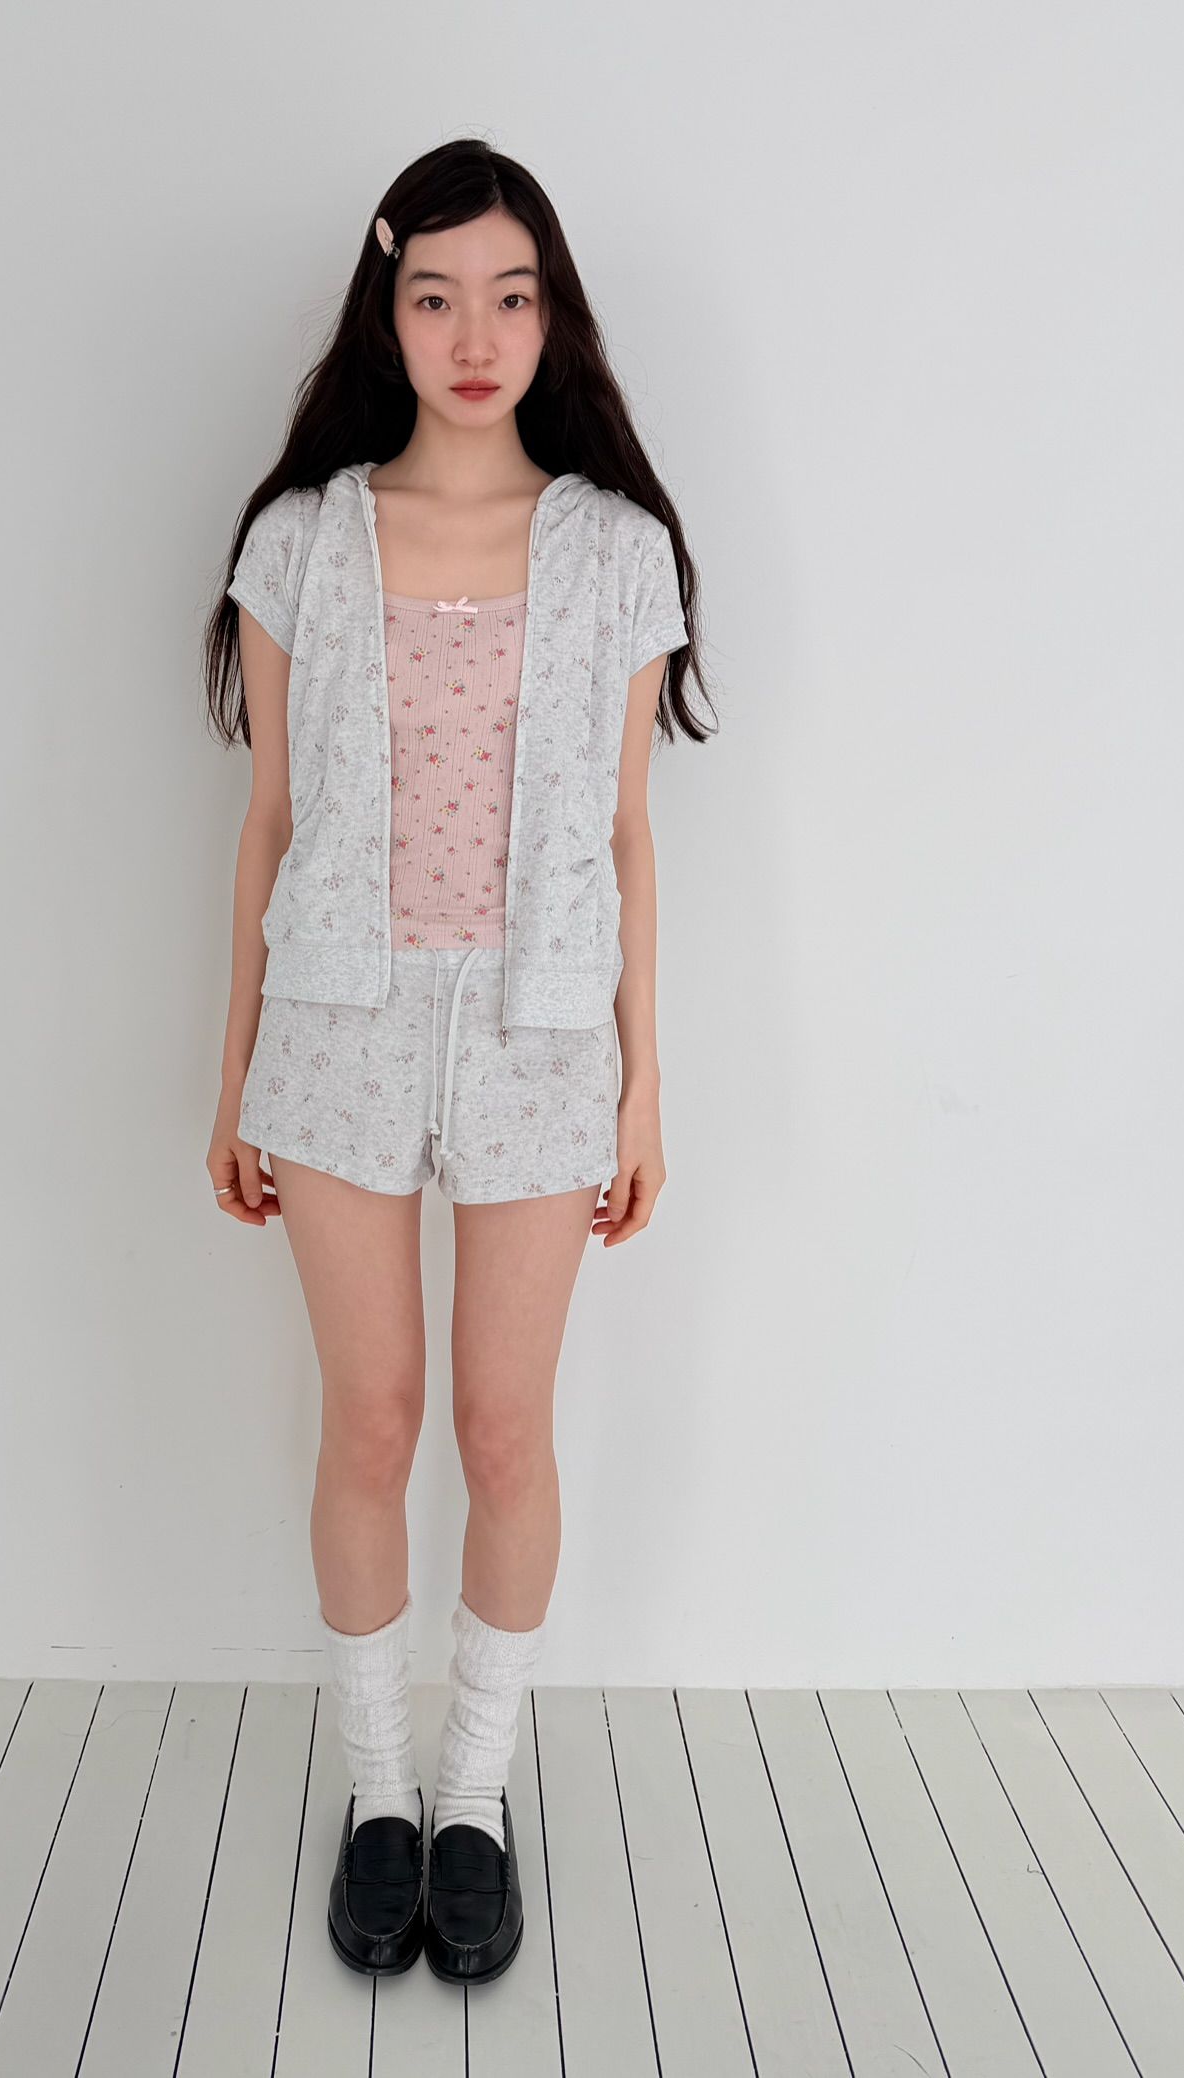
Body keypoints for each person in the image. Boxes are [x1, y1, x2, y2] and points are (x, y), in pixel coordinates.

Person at [200, 138, 715, 1987]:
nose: (474, 336)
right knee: (372, 1421)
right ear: (388, 311)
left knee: (506, 1430)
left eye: (510, 297)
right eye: (435, 297)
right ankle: (378, 1796)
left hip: (540, 1037)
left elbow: (630, 837)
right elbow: (269, 823)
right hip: (337, 1029)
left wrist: (643, 1084)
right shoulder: (302, 540)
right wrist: (234, 1075)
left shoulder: (616, 551)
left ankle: (474, 1798)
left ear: (551, 316)